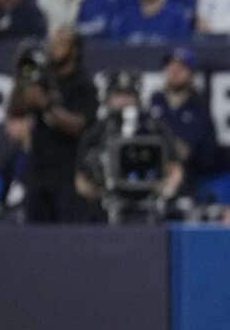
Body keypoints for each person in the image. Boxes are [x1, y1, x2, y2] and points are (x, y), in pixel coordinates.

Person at [7, 28, 98, 222]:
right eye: (51, 43)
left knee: (67, 234)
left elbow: (79, 126)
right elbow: (16, 110)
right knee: (35, 231)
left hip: (69, 170)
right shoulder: (42, 75)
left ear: (73, 50)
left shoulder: (84, 84)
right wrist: (21, 82)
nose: (52, 48)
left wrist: (48, 105)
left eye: (59, 44)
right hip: (38, 168)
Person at [76, 69, 183, 224]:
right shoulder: (97, 131)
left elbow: (176, 169)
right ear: (108, 97)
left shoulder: (154, 127)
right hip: (107, 207)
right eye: (118, 95)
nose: (124, 101)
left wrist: (165, 191)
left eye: (129, 95)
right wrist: (101, 196)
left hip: (150, 203)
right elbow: (80, 180)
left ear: (138, 97)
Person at [149, 47, 217, 198]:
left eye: (180, 68)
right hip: (153, 180)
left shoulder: (198, 107)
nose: (174, 72)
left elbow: (186, 151)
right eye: (170, 67)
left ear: (191, 74)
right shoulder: (155, 101)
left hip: (189, 184)